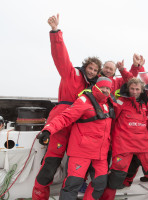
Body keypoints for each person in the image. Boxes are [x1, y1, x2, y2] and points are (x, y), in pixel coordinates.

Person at [32, 14, 102, 200]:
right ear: (85, 66)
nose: (92, 71)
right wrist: (56, 32)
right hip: (61, 123)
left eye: (96, 70)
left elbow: (119, 87)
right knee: (50, 166)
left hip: (80, 128)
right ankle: (39, 196)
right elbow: (60, 55)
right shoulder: (71, 74)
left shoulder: (94, 89)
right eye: (90, 67)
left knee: (74, 169)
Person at [38, 77, 115, 200]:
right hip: (81, 152)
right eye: (102, 87)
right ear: (96, 87)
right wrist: (48, 129)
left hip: (100, 154)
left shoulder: (110, 103)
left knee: (100, 184)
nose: (105, 90)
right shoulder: (84, 100)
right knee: (72, 185)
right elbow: (65, 117)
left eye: (108, 88)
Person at [100, 78, 148, 200]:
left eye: (137, 89)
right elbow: (111, 120)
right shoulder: (120, 102)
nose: (134, 91)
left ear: (142, 90)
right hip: (123, 144)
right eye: (132, 89)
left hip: (143, 144)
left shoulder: (144, 104)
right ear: (128, 89)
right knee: (116, 177)